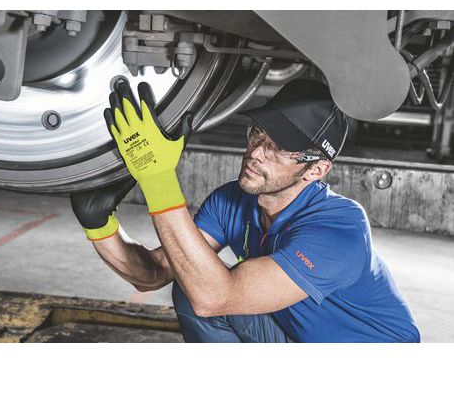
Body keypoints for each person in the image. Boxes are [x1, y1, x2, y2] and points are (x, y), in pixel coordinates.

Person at [71, 78, 420, 343]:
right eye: (258, 133)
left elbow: (214, 298)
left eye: (280, 147)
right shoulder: (233, 201)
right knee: (190, 284)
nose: (256, 152)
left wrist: (158, 179)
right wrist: (101, 227)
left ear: (316, 170)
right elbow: (158, 272)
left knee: (206, 293)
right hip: (294, 339)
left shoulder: (339, 230)